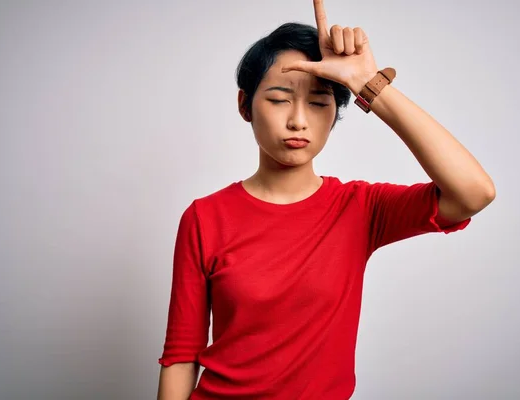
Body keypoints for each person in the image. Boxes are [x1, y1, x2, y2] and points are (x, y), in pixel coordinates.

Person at [156, 1, 495, 399]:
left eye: (319, 103)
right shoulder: (205, 217)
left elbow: (474, 192)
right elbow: (181, 353)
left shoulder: (360, 208)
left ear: (335, 114)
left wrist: (370, 82)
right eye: (279, 99)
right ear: (245, 105)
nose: (298, 120)